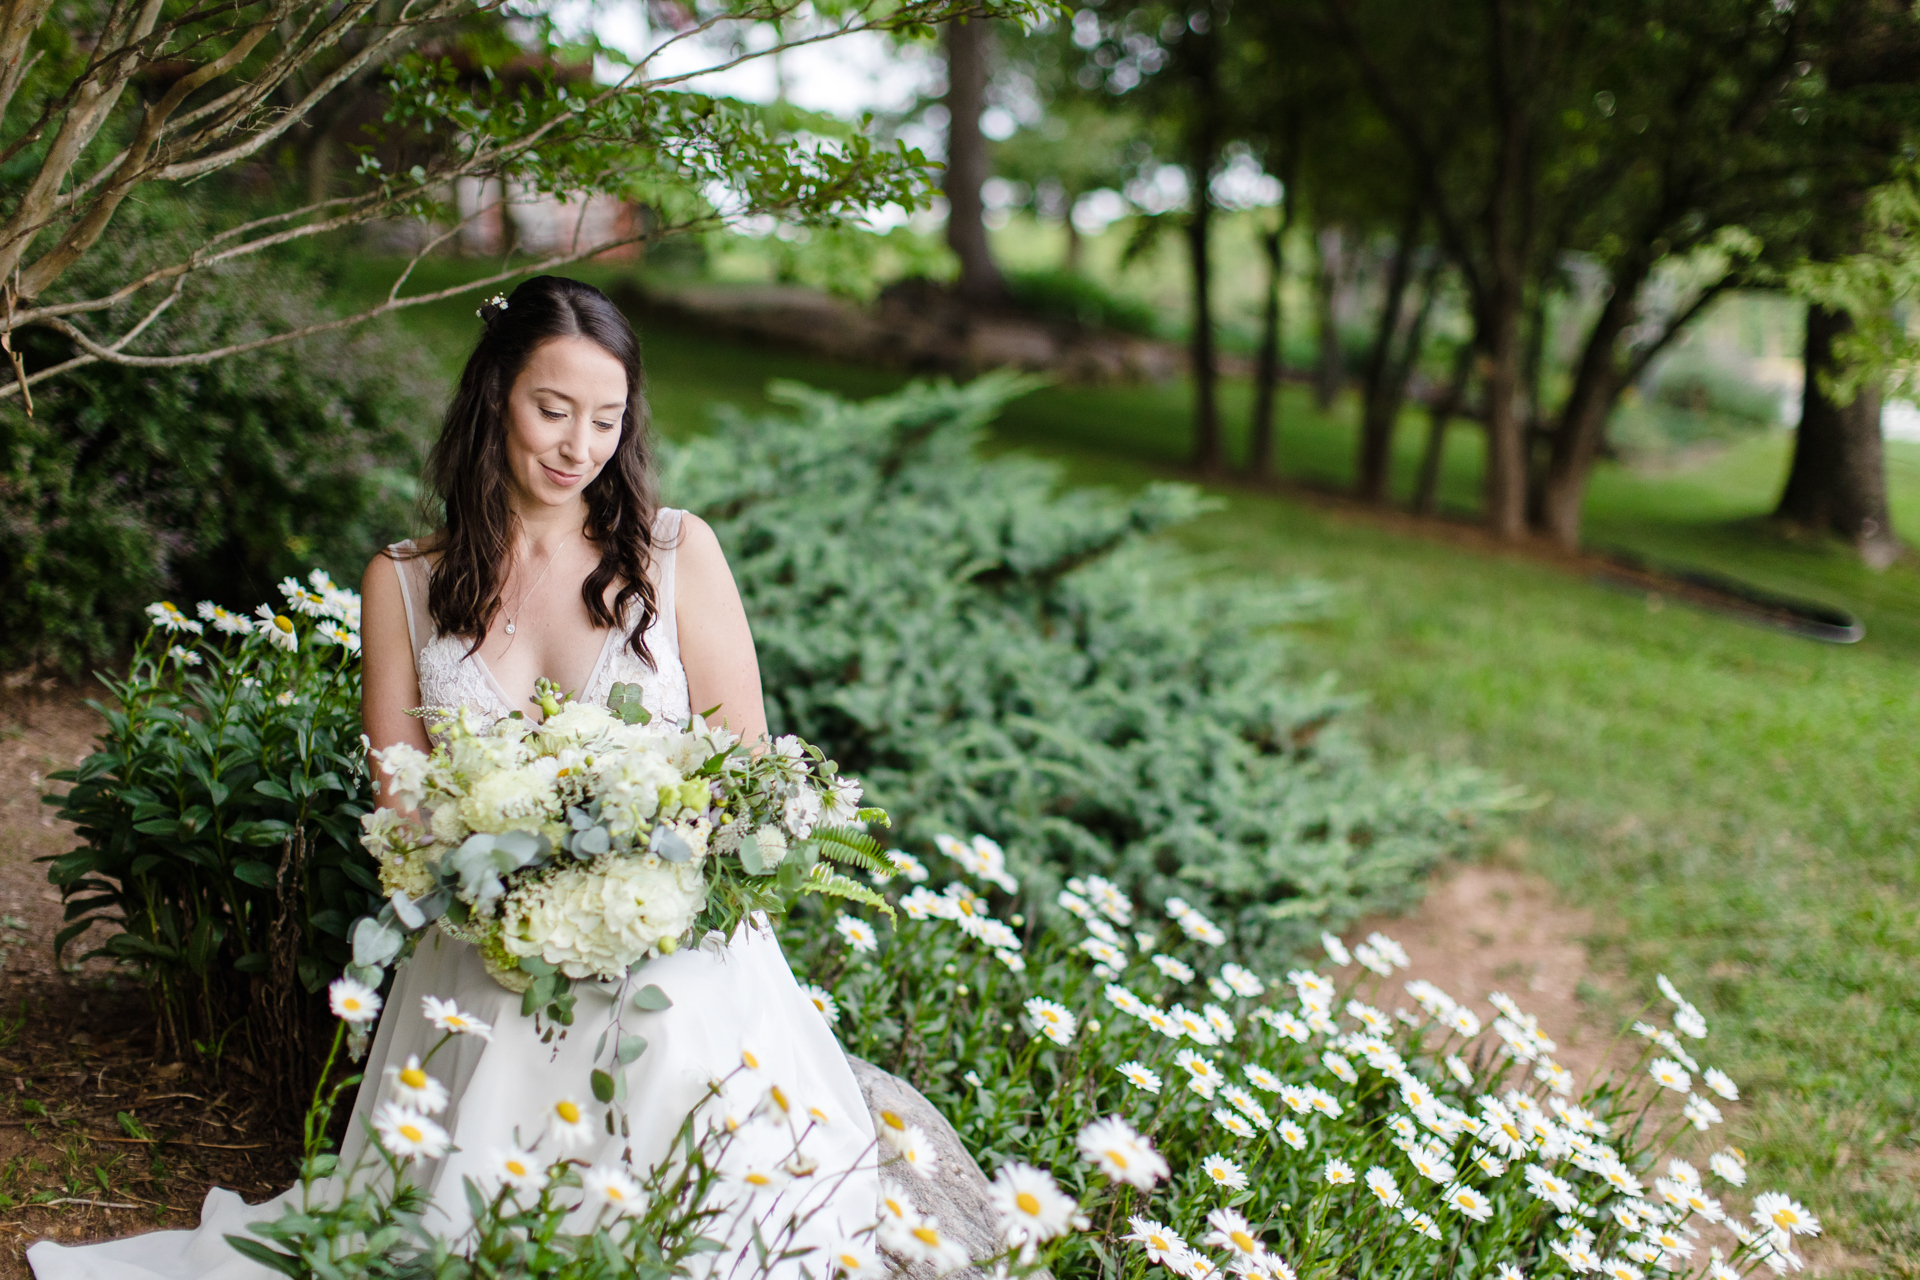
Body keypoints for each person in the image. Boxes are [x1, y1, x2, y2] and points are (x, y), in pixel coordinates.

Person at [28, 276, 879, 1279]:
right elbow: (404, 796)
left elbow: (743, 754)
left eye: (605, 419)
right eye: (551, 409)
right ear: (494, 399)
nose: (578, 445)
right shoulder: (404, 581)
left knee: (677, 1025)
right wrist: (513, 892)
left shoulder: (676, 551)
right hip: (488, 934)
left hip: (673, 923)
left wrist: (650, 881)